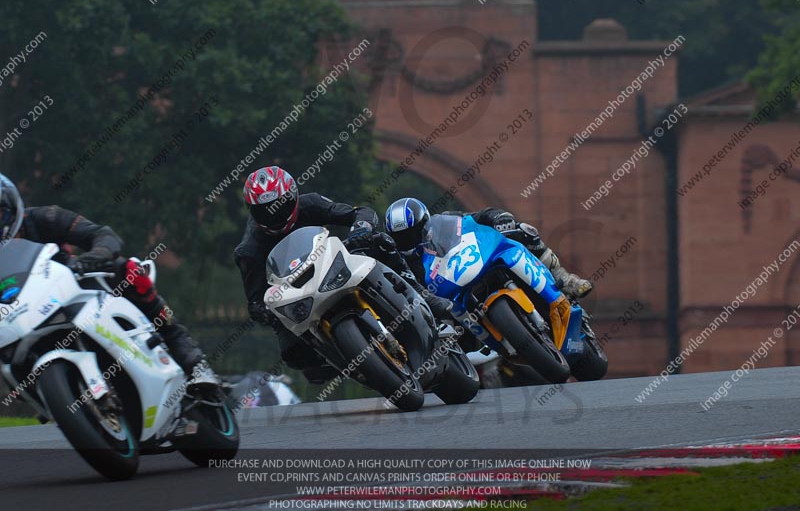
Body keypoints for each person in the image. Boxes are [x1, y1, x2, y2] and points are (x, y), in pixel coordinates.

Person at [234, 166, 452, 383]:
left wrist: (361, 228)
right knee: (295, 355)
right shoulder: (248, 251)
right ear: (251, 210)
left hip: (335, 261)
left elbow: (359, 212)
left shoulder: (310, 203)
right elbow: (255, 300)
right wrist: (265, 312)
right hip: (298, 293)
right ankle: (343, 360)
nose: (274, 215)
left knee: (380, 242)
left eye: (279, 207)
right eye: (265, 211)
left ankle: (424, 296)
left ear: (293, 197)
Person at [0, 174, 217, 390]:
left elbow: (102, 234)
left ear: (10, 207)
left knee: (129, 270)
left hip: (71, 287)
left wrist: (91, 259)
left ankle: (189, 356)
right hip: (20, 319)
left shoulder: (45, 217)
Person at [384, 198, 593, 299]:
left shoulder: (445, 221)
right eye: (402, 237)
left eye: (412, 232)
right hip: (454, 295)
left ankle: (565, 279)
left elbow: (476, 217)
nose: (409, 240)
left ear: (425, 222)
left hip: (476, 259)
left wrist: (497, 218)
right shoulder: (405, 265)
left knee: (524, 231)